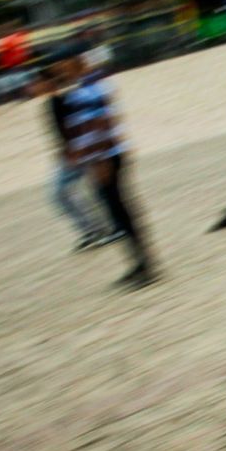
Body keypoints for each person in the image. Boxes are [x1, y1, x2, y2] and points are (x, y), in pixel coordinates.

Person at [53, 49, 157, 288]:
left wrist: (101, 158)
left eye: (63, 63)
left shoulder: (87, 90)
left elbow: (102, 123)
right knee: (119, 211)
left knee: (120, 211)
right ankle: (140, 263)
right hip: (104, 156)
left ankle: (144, 265)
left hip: (105, 157)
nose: (60, 69)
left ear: (75, 62)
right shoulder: (88, 86)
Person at [33, 63, 112, 251]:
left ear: (48, 82)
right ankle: (98, 229)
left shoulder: (61, 101)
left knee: (60, 194)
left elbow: (75, 127)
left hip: (77, 153)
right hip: (74, 153)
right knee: (83, 192)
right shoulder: (55, 102)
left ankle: (96, 229)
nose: (34, 86)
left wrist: (74, 151)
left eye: (37, 81)